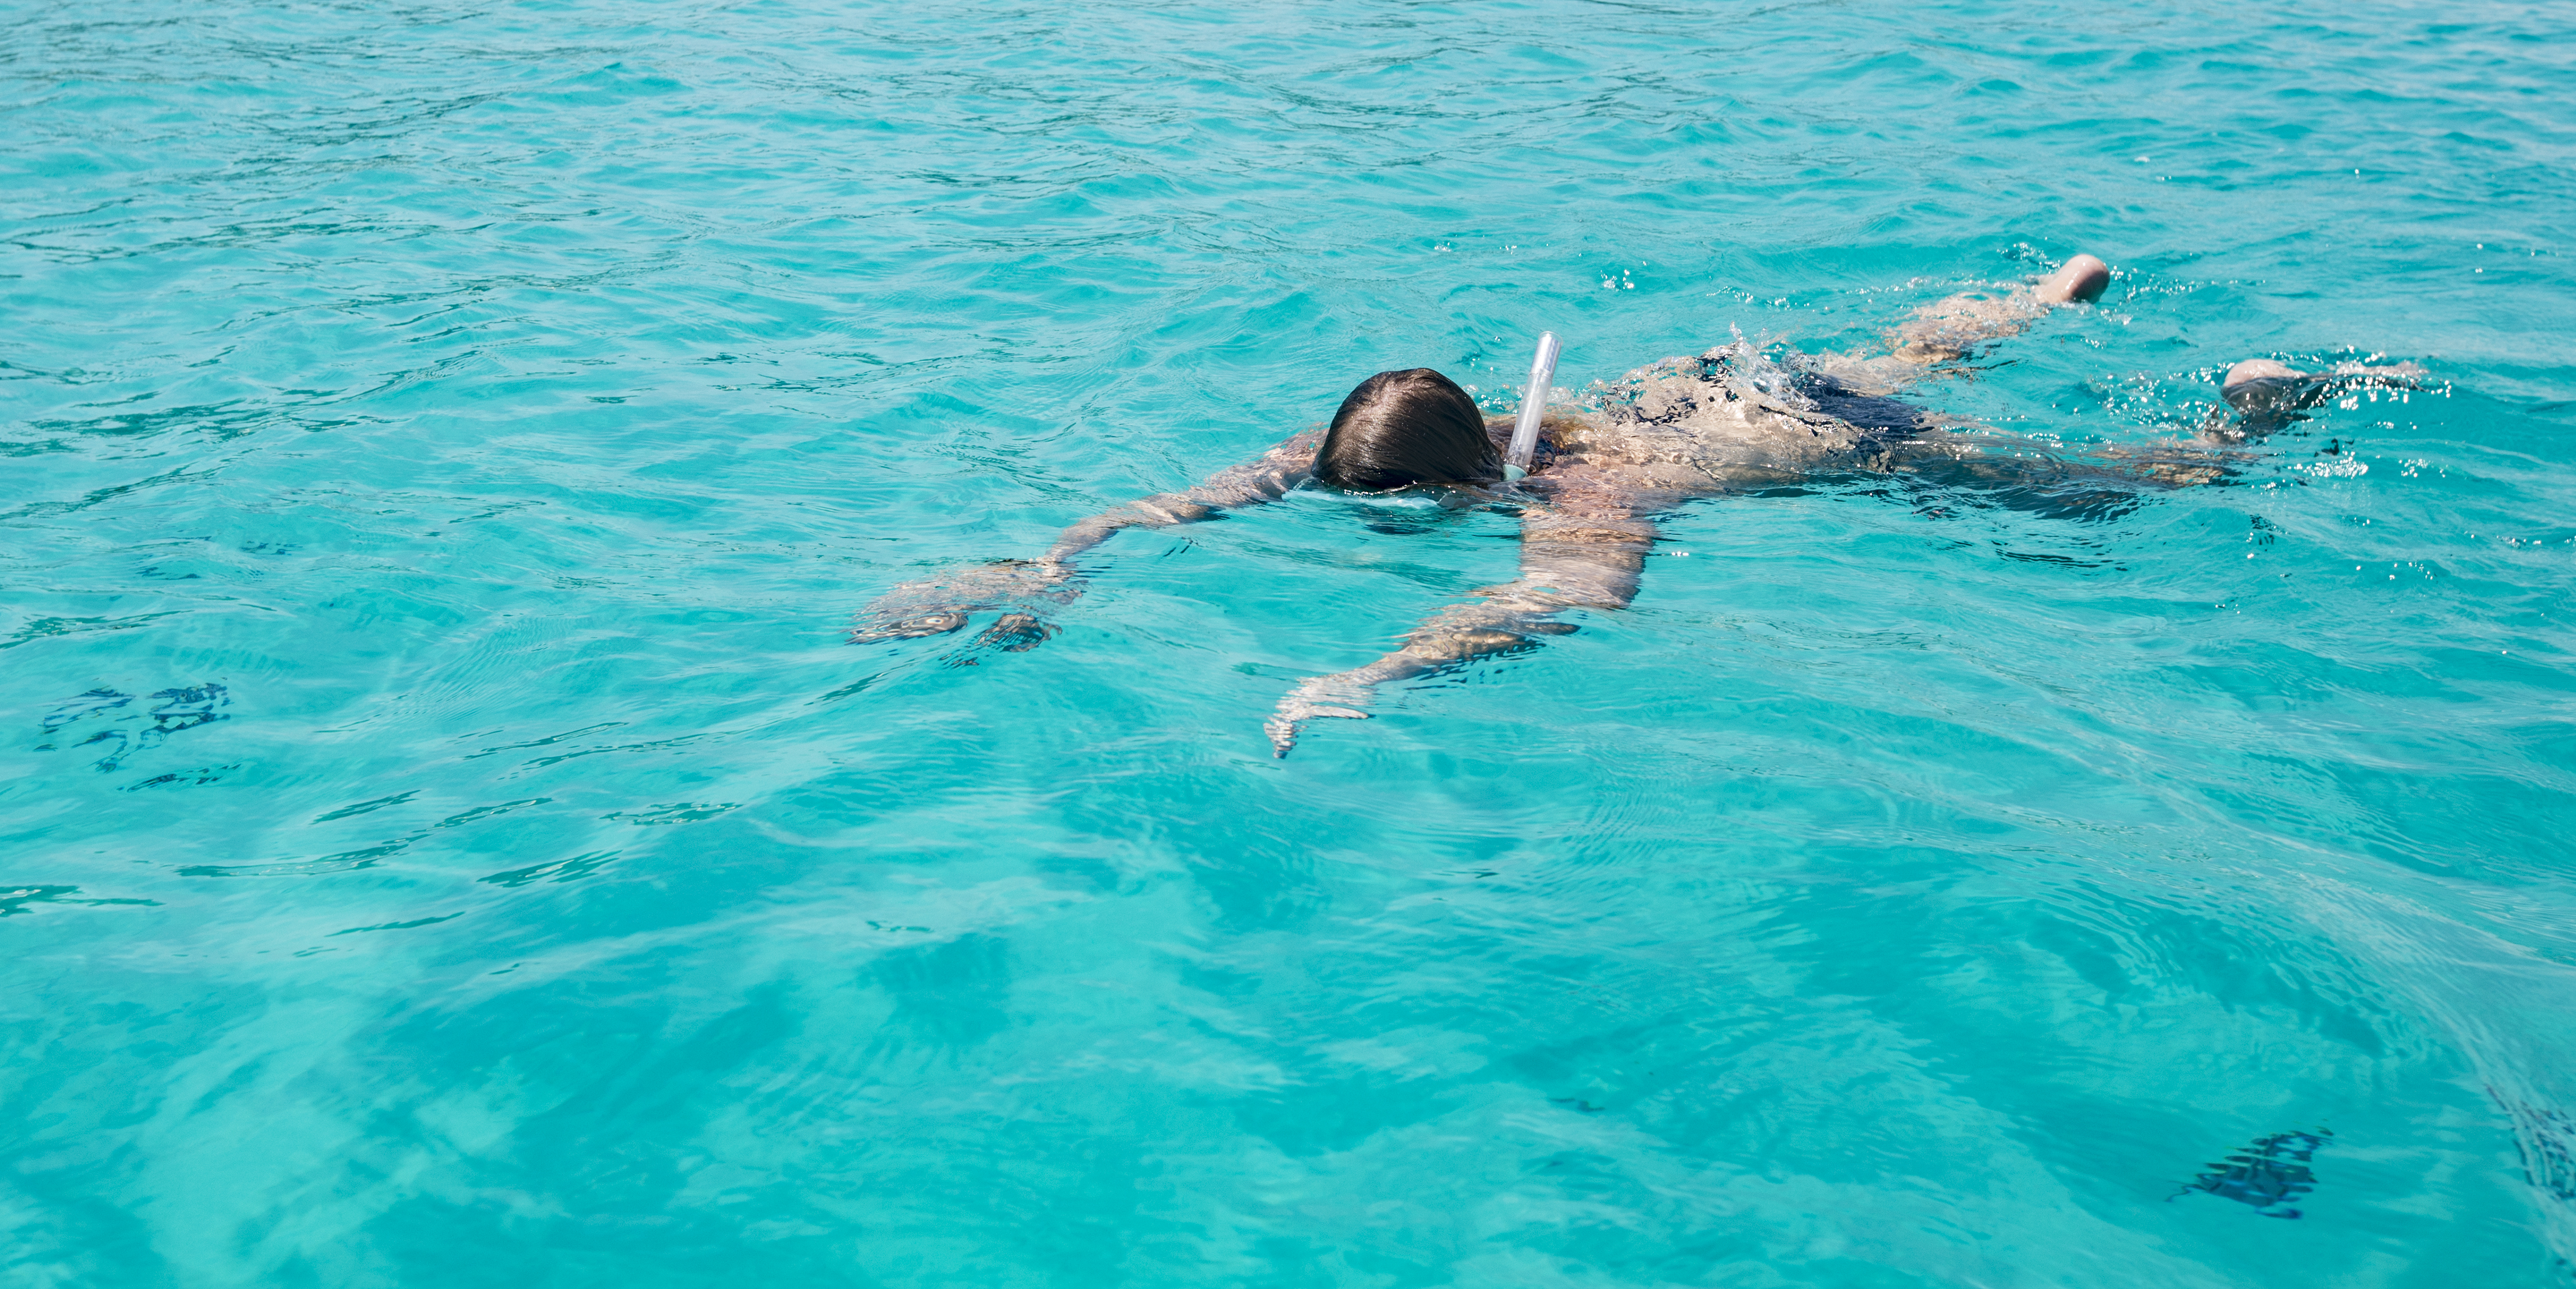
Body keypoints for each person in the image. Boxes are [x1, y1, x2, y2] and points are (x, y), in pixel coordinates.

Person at [857, 254, 2422, 755]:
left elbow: (1572, 598)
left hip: (1841, 442)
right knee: (1899, 345)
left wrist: (1368, 674)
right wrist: (1046, 563)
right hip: (1736, 372)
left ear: (1463, 481)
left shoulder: (1580, 484)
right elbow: (1173, 505)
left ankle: (2234, 434)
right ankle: (2050, 289)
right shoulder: (1378, 435)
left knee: (2095, 489)